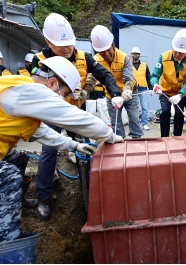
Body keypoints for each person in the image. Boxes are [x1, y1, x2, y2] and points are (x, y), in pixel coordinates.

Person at [0, 56, 122, 255]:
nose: (63, 99)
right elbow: (73, 117)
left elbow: (41, 132)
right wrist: (109, 136)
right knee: (3, 177)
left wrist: (74, 145)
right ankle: (3, 253)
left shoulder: (18, 89)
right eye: (64, 94)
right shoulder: (32, 91)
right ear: (52, 83)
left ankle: (8, 204)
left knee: (18, 158)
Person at [32, 13, 122, 220]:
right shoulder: (40, 61)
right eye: (60, 45)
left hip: (76, 111)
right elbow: (35, 89)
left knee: (87, 149)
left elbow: (105, 75)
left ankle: (93, 189)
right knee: (49, 150)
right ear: (47, 41)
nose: (67, 49)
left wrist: (115, 94)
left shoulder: (84, 57)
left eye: (69, 44)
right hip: (52, 112)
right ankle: (44, 195)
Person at [91, 25, 144, 139]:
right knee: (115, 123)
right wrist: (84, 90)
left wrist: (126, 92)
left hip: (129, 94)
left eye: (108, 51)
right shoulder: (95, 60)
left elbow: (128, 78)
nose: (106, 55)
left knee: (134, 118)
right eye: (101, 52)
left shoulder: (124, 58)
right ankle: (120, 143)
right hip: (111, 96)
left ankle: (137, 141)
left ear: (113, 45)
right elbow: (92, 78)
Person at [151, 28, 186, 137]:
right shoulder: (163, 57)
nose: (177, 54)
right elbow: (155, 75)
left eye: (180, 53)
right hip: (165, 91)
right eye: (175, 51)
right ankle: (164, 138)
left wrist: (180, 95)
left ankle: (177, 138)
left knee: (179, 113)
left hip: (179, 93)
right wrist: (155, 85)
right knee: (165, 111)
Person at [131, 46, 153, 130]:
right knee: (134, 108)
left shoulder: (144, 65)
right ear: (131, 55)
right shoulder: (128, 65)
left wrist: (150, 88)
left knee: (144, 107)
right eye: (133, 54)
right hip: (133, 90)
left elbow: (148, 77)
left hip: (143, 89)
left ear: (139, 55)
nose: (135, 55)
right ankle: (135, 125)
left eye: (136, 54)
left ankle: (144, 124)